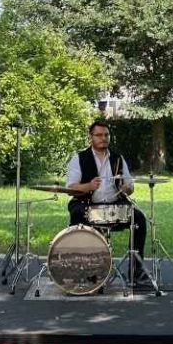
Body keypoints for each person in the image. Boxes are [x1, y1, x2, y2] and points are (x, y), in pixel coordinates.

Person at [66, 120, 148, 282]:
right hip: (87, 204)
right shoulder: (79, 158)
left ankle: (136, 270)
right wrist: (88, 186)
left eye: (106, 135)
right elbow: (71, 188)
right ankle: (81, 267)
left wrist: (127, 188)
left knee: (139, 218)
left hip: (114, 204)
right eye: (99, 135)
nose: (103, 138)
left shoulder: (117, 158)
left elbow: (129, 184)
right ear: (91, 137)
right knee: (76, 215)